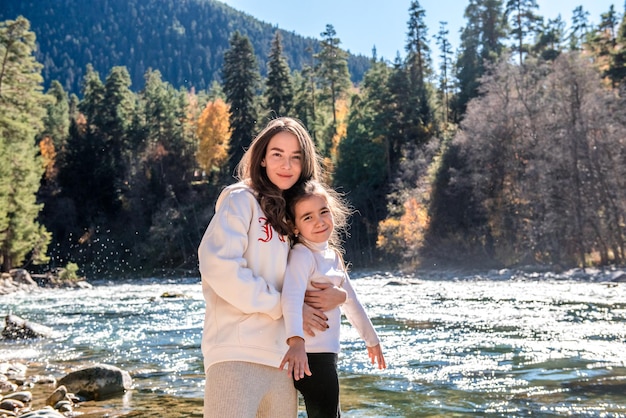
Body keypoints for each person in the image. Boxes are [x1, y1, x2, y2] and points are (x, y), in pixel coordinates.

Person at [198, 117, 347, 418]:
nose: (286, 165)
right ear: (262, 158)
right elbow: (218, 267)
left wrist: (339, 295)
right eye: (277, 154)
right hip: (236, 353)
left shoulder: (296, 214)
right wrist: (283, 306)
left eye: (296, 157)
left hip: (284, 362)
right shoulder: (241, 200)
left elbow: (321, 270)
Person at [279, 180, 387, 418]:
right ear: (294, 227)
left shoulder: (333, 257)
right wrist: (296, 343)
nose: (319, 221)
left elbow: (351, 301)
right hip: (310, 357)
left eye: (323, 212)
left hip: (327, 356)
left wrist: (371, 340)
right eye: (307, 217)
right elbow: (291, 298)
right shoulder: (302, 255)